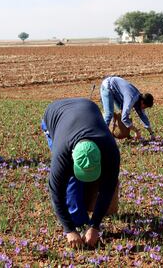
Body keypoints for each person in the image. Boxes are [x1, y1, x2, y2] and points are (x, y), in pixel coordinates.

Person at [42, 98, 120, 248]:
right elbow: (56, 193)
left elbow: (107, 188)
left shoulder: (110, 150)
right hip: (55, 113)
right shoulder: (62, 153)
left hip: (87, 107)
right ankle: (77, 219)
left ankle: (84, 216)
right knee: (71, 178)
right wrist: (69, 229)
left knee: (96, 182)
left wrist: (95, 226)